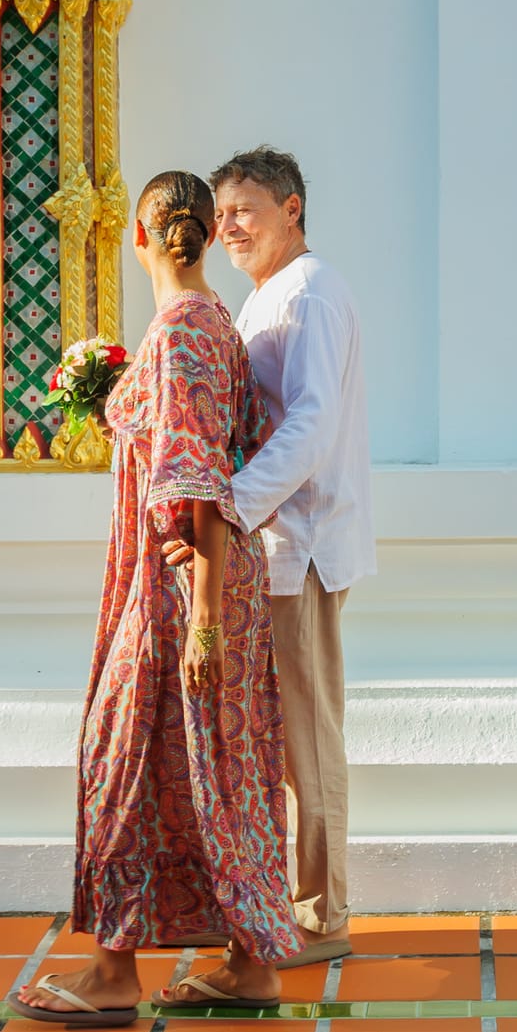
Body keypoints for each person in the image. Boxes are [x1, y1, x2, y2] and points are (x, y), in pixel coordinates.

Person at [11, 172, 302, 1027]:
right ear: (208, 235)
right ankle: (249, 963)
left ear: (140, 240)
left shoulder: (179, 334)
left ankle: (112, 972)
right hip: (222, 576)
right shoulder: (217, 325)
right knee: (224, 762)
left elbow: (195, 479)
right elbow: (236, 452)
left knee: (122, 755)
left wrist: (202, 621)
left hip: (183, 585)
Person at [167, 147, 374, 974]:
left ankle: (323, 915)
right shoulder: (264, 300)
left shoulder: (312, 291)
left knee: (307, 742)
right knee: (275, 741)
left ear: (293, 207)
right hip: (266, 550)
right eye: (221, 215)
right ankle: (283, 903)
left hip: (303, 546)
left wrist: (233, 505)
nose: (229, 227)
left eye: (246, 209)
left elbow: (312, 424)